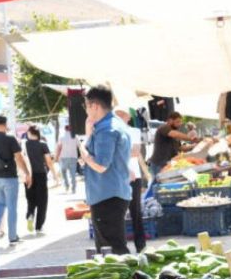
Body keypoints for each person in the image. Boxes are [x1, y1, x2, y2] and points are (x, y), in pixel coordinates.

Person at [79, 85, 132, 255]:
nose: (86, 110)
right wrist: (88, 135)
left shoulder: (106, 129)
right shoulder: (114, 124)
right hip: (113, 193)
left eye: (86, 106)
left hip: (106, 195)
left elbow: (100, 165)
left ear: (94, 105)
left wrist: (83, 150)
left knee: (112, 252)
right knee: (113, 248)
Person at [0, 115, 30, 245]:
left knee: (0, 203)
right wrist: (26, 172)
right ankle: (13, 236)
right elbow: (19, 158)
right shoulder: (11, 139)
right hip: (10, 178)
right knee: (12, 206)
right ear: (5, 124)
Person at [114, 110, 147, 253]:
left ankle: (140, 245)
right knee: (118, 212)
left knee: (135, 212)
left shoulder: (133, 131)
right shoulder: (112, 131)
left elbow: (135, 152)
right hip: (116, 175)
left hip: (133, 176)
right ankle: (121, 247)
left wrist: (115, 152)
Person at [23, 126, 54, 235]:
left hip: (28, 175)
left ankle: (30, 214)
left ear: (30, 133)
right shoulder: (43, 144)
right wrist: (55, 175)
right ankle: (39, 226)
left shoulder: (24, 144)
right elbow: (49, 161)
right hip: (41, 174)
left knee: (31, 199)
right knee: (42, 201)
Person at [148, 112, 199, 177]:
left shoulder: (175, 133)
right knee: (158, 184)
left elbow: (180, 148)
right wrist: (191, 138)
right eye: (178, 122)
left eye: (180, 122)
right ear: (170, 120)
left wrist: (193, 146)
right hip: (159, 164)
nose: (180, 124)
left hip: (168, 164)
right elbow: (175, 134)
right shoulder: (164, 127)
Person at [55, 124, 79, 193]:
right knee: (73, 174)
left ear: (65, 129)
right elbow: (79, 146)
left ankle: (67, 186)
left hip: (64, 157)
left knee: (63, 172)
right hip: (73, 157)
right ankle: (73, 189)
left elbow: (59, 148)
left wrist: (56, 157)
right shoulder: (75, 136)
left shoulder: (61, 137)